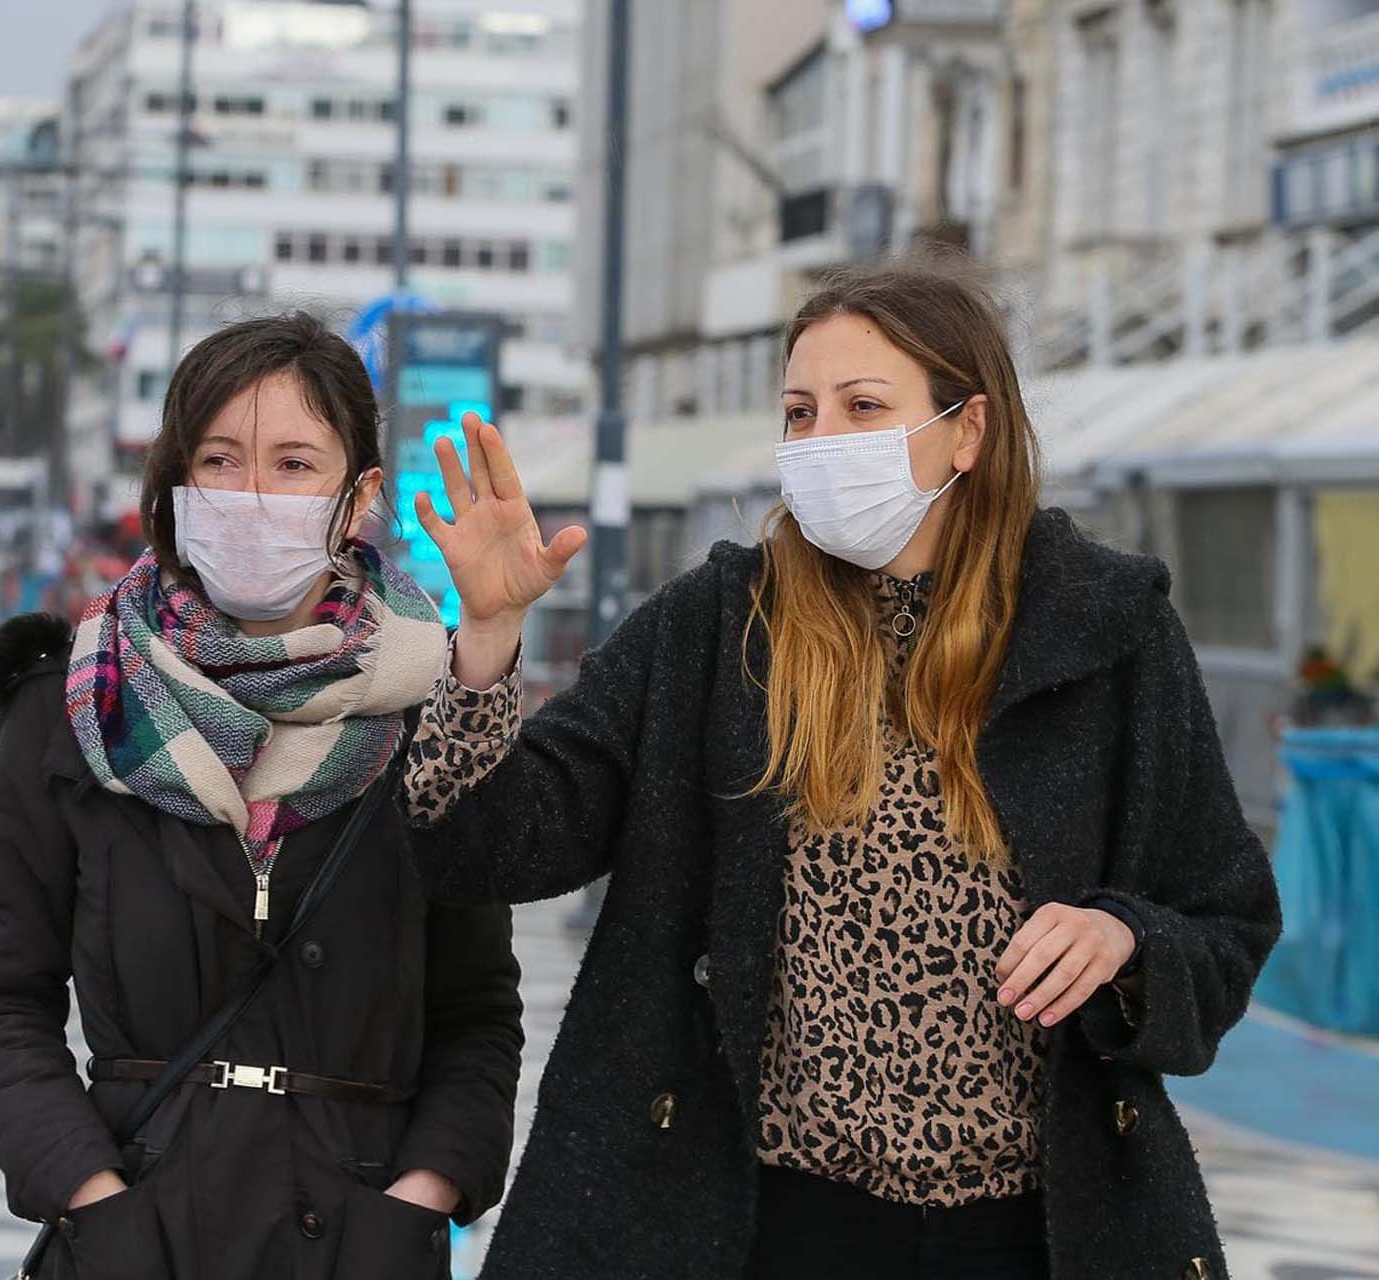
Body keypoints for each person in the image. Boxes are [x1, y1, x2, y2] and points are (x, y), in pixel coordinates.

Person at [401, 264, 1281, 1280]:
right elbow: (488, 844)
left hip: (1035, 1233)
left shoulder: (1109, 631)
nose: (821, 441)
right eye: (799, 411)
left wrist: (1124, 935)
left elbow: (1226, 920)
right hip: (757, 1223)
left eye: (863, 407)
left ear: (968, 429)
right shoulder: (716, 624)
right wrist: (489, 637)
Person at [0, 312, 524, 1280]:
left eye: (294, 464)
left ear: (358, 495)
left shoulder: (432, 708)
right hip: (138, 1235)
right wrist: (95, 1202)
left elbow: (477, 1010)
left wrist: (417, 1204)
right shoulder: (74, 706)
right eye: (220, 459)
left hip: (356, 1242)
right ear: (175, 486)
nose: (252, 495)